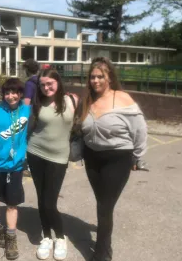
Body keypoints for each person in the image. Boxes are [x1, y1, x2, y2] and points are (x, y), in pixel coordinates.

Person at [77, 57, 147, 261]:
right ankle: (104, 241)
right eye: (92, 77)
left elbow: (140, 130)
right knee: (102, 203)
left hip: (118, 159)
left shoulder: (122, 98)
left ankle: (102, 254)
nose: (95, 81)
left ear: (109, 77)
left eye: (100, 76)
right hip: (92, 158)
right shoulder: (88, 99)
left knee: (104, 206)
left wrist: (138, 156)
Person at [27, 68, 77, 260]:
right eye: (42, 85)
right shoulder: (37, 103)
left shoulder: (72, 100)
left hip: (59, 157)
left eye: (50, 83)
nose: (46, 87)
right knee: (42, 198)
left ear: (58, 82)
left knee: (50, 202)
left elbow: (83, 124)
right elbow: (30, 128)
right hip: (36, 153)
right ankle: (47, 236)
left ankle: (60, 238)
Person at [0, 78, 31, 260]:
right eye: (7, 93)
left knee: (12, 203)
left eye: (14, 92)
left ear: (20, 94)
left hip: (15, 165)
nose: (10, 96)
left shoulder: (27, 110)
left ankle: (11, 237)